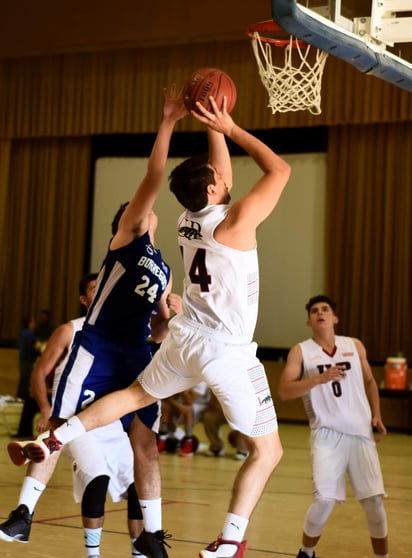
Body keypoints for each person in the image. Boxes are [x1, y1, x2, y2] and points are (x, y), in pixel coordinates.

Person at [9, 93, 290, 558]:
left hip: (185, 338)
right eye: (222, 180)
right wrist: (234, 127)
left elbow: (218, 176)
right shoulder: (236, 224)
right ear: (218, 189)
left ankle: (58, 436)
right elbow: (279, 170)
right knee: (269, 452)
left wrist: (212, 123)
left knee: (137, 395)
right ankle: (231, 541)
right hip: (226, 350)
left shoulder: (187, 220)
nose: (225, 179)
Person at [9, 84, 187, 558]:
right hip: (99, 346)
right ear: (130, 219)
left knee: (146, 440)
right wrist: (168, 120)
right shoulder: (127, 238)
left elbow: (159, 329)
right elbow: (153, 174)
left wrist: (173, 318)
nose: (151, 213)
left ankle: (150, 534)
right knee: (62, 422)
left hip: (137, 354)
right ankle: (23, 513)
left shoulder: (164, 267)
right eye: (144, 210)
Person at [1, 273, 147, 558]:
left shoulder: (122, 332)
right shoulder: (71, 330)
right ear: (84, 299)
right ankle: (86, 551)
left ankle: (139, 553)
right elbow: (40, 373)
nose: (102, 292)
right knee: (97, 479)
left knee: (139, 490)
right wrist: (45, 408)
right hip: (75, 420)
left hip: (109, 421)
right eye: (95, 289)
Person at [278, 295, 389, 558]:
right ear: (309, 321)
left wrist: (377, 415)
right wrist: (318, 379)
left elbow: (371, 382)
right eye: (315, 311)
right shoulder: (301, 351)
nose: (320, 314)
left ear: (335, 318)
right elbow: (284, 391)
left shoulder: (354, 345)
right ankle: (306, 552)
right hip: (326, 435)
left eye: (325, 310)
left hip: (361, 433)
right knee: (325, 500)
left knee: (373, 502)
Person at [157, 381, 211, 456]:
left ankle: (188, 442)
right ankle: (162, 439)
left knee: (187, 409)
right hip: (182, 402)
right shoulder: (179, 376)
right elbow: (168, 398)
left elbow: (189, 400)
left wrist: (183, 389)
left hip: (200, 405)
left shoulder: (201, 382)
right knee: (166, 406)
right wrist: (177, 405)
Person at [202, 392, 249, 461]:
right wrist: (212, 404)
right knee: (209, 417)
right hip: (225, 410)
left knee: (243, 420)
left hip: (242, 410)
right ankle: (216, 447)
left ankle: (242, 451)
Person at [17, 316, 38, 401]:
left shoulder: (23, 332)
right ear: (29, 324)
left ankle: (20, 396)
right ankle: (23, 396)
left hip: (23, 358)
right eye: (32, 322)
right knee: (26, 379)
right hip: (27, 359)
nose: (34, 324)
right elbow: (32, 347)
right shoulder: (29, 334)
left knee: (23, 378)